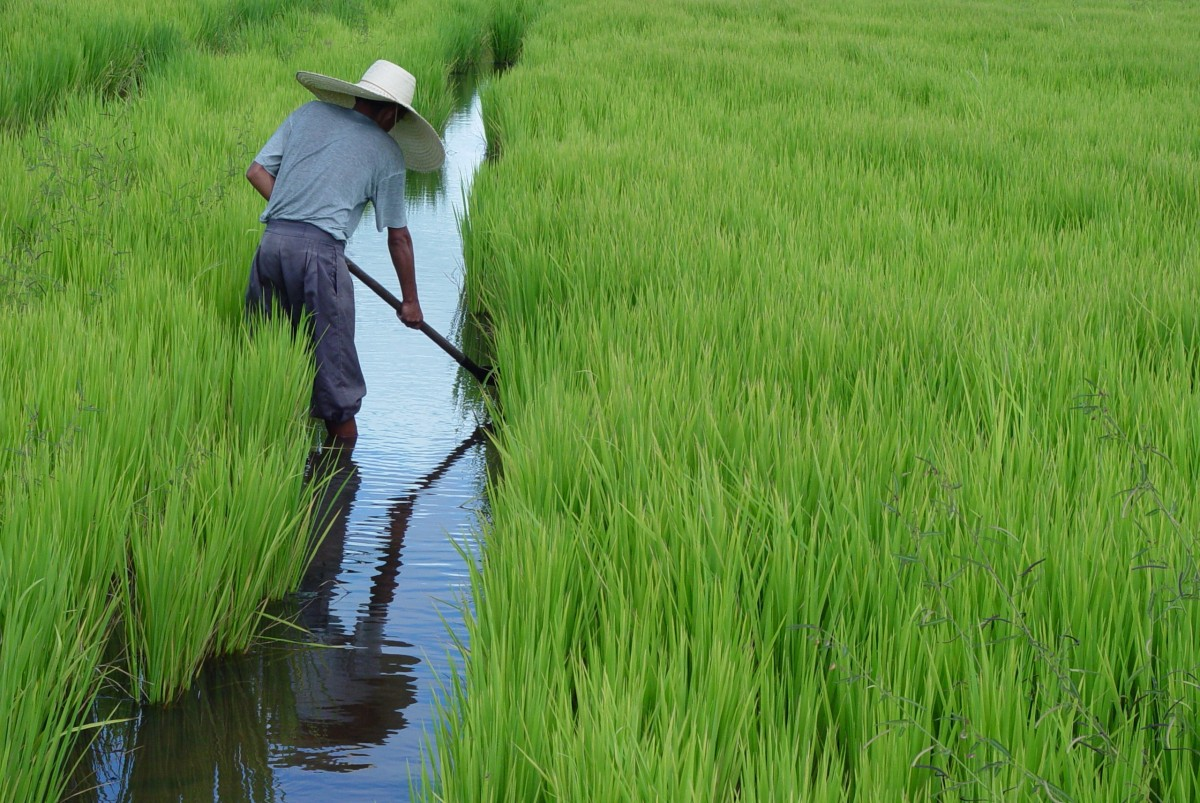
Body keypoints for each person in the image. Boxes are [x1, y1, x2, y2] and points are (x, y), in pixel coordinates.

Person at [245, 60, 445, 444]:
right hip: (320, 259)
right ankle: (341, 484)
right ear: (391, 112)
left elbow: (256, 172)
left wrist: (297, 215)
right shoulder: (386, 152)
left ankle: (271, 448)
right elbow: (398, 237)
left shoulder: (308, 113)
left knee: (269, 356)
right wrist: (411, 301)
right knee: (337, 385)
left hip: (271, 245)